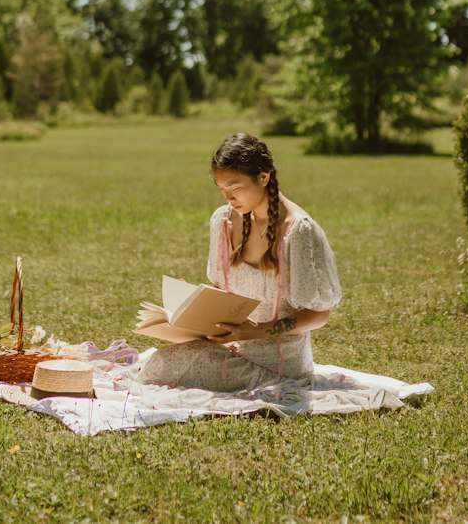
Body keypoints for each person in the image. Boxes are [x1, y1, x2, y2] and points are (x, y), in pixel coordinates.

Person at [133, 132, 342, 391]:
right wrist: (192, 305)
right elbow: (226, 294)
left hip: (279, 364)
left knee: (166, 369)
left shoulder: (299, 232)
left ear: (264, 177)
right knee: (163, 362)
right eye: (221, 189)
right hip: (230, 346)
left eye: (234, 187)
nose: (228, 198)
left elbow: (318, 315)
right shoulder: (224, 221)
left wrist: (252, 332)